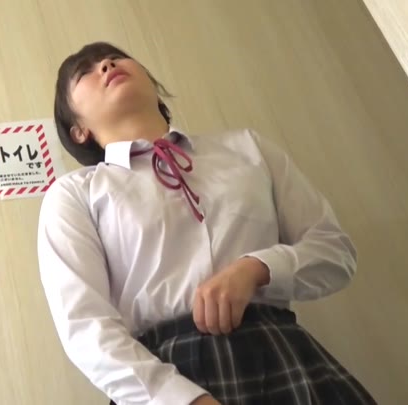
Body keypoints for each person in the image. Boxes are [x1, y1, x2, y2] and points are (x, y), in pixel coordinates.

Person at [37, 42, 377, 405]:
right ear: (78, 130)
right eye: (85, 72)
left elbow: (335, 251)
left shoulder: (248, 148)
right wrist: (181, 400)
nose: (107, 65)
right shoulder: (75, 194)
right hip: (161, 375)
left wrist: (257, 268)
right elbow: (85, 325)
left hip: (282, 351)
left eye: (115, 57)